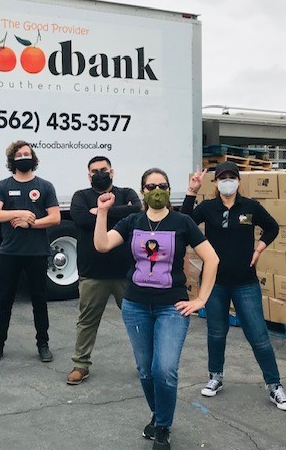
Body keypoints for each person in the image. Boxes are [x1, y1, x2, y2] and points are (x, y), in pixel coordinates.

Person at [94, 167, 219, 450]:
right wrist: (102, 212)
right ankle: (159, 414)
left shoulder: (182, 222)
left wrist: (201, 299)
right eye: (150, 187)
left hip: (171, 307)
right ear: (143, 192)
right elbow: (101, 245)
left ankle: (162, 426)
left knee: (164, 369)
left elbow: (212, 260)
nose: (156, 191)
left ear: (168, 188)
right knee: (146, 370)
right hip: (135, 306)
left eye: (162, 185)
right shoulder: (131, 221)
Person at [183, 161, 286, 411]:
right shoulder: (208, 208)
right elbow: (186, 222)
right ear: (216, 182)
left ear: (239, 181)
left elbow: (273, 227)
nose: (228, 181)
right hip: (215, 283)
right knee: (216, 332)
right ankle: (215, 377)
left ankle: (274, 385)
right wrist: (191, 192)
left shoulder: (250, 206)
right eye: (223, 177)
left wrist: (259, 248)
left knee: (259, 335)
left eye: (232, 176)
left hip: (245, 282)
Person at [67, 156, 141, 385]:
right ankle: (80, 365)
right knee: (87, 321)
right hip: (92, 273)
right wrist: (119, 212)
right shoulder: (80, 196)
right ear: (89, 175)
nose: (99, 173)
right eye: (94, 170)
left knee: (138, 321)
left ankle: (146, 363)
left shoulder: (127, 192)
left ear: (112, 172)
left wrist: (99, 212)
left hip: (125, 273)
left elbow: (136, 211)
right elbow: (80, 218)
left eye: (104, 169)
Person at [0, 140, 60, 363]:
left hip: (37, 253)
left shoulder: (45, 186)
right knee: (5, 300)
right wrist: (19, 212)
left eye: (27, 153)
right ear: (12, 160)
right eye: (19, 154)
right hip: (9, 253)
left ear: (33, 158)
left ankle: (43, 344)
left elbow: (55, 218)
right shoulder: (2, 186)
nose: (24, 157)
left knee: (39, 300)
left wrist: (31, 222)